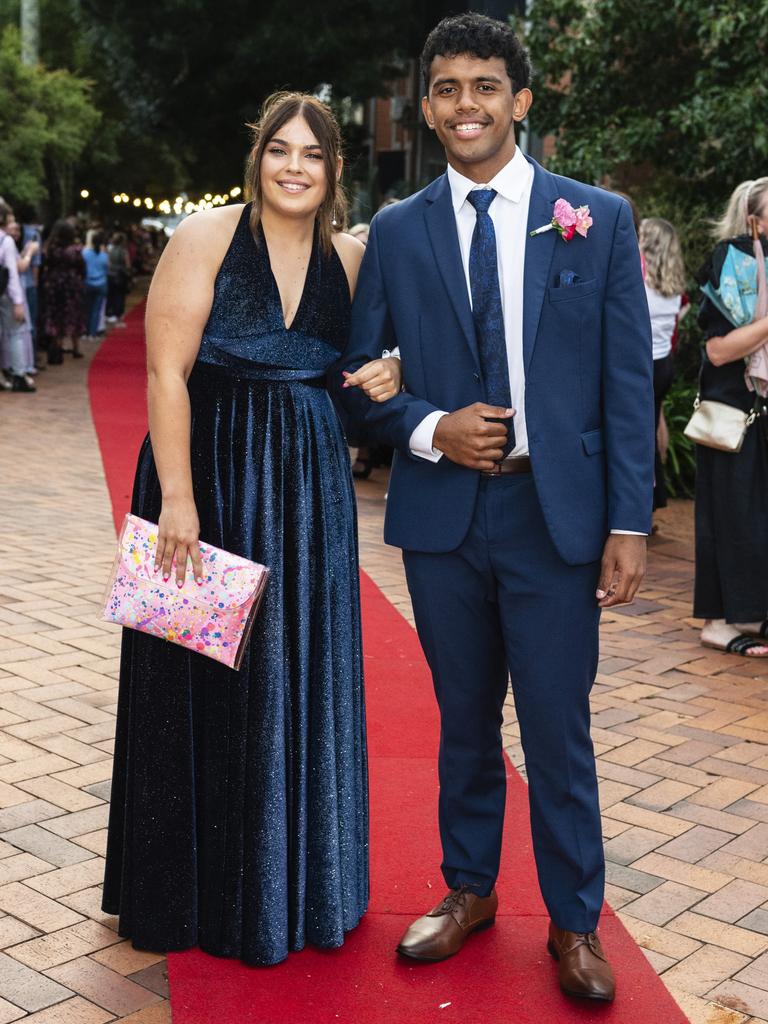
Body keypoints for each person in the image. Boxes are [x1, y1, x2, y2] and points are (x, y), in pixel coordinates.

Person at [337, 13, 653, 1002]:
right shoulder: (395, 229)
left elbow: (624, 383)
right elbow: (358, 381)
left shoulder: (595, 217)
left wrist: (629, 522)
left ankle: (573, 920)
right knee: (464, 721)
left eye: (485, 85)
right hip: (442, 518)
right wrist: (431, 428)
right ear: (426, 106)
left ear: (520, 100)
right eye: (446, 87)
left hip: (553, 518)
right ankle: (469, 888)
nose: (465, 104)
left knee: (557, 729)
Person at [102, 91, 402, 966]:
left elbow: (351, 379)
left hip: (307, 497)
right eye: (281, 151)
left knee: (292, 679)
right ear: (257, 159)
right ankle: (185, 893)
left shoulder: (351, 259)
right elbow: (166, 371)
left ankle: (292, 888)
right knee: (194, 682)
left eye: (313, 154)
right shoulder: (203, 238)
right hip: (210, 477)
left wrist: (379, 380)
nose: (296, 166)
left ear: (335, 170)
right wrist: (181, 500)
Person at [695, 177, 768, 656]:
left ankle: (757, 614)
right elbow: (718, 350)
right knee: (731, 515)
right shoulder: (731, 261)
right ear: (754, 220)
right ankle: (720, 621)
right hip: (734, 413)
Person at [639, 218, 688, 510]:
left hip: (644, 366)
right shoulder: (673, 287)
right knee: (652, 427)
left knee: (639, 433)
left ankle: (646, 499)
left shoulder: (641, 283)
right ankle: (656, 495)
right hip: (664, 366)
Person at [0, 200, 36, 392]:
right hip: (5, 294)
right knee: (15, 334)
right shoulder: (5, 241)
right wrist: (18, 302)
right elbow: (12, 273)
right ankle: (19, 375)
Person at [42, 220, 86, 362]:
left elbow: (46, 265)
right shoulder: (75, 250)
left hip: (54, 284)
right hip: (71, 285)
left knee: (56, 315)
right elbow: (82, 268)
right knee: (73, 314)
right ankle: (76, 348)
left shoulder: (50, 248)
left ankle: (57, 347)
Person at [82, 231, 109, 340]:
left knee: (87, 309)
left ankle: (86, 332)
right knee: (96, 310)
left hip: (88, 283)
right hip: (101, 284)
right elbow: (107, 269)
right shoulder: (104, 256)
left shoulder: (85, 254)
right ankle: (93, 333)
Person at [106, 232, 130, 326]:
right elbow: (128, 265)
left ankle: (112, 314)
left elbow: (108, 264)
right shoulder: (124, 251)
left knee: (112, 296)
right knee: (120, 296)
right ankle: (119, 315)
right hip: (121, 276)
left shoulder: (110, 250)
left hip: (111, 276)